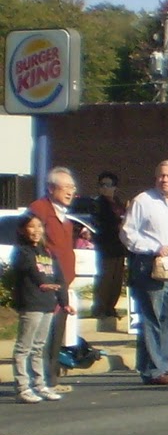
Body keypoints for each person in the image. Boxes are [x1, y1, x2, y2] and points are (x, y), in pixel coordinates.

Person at [120, 159, 168, 385]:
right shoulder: (143, 201)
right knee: (152, 317)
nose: (164, 180)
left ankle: (159, 365)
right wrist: (153, 248)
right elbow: (127, 233)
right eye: (161, 175)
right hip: (151, 264)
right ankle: (155, 370)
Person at [28, 167, 78, 394]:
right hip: (46, 283)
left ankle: (51, 380)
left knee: (56, 334)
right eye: (65, 187)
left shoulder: (63, 215)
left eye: (72, 187)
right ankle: (40, 381)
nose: (70, 192)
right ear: (50, 188)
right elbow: (34, 245)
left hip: (62, 282)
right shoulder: (39, 210)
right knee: (42, 336)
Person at [11, 213, 68, 403]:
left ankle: (39, 385)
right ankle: (22, 387)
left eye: (39, 226)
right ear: (22, 230)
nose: (36, 231)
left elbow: (59, 278)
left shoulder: (48, 253)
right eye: (31, 227)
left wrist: (64, 302)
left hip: (47, 304)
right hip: (31, 303)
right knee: (24, 347)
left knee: (39, 347)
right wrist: (42, 283)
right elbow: (30, 270)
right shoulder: (22, 252)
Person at [90, 171, 127, 318]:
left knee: (116, 280)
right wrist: (118, 224)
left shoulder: (118, 203)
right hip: (106, 247)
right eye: (102, 185)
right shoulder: (98, 204)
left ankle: (111, 308)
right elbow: (100, 224)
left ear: (114, 187)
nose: (104, 188)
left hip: (119, 247)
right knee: (105, 279)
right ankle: (100, 309)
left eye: (108, 185)